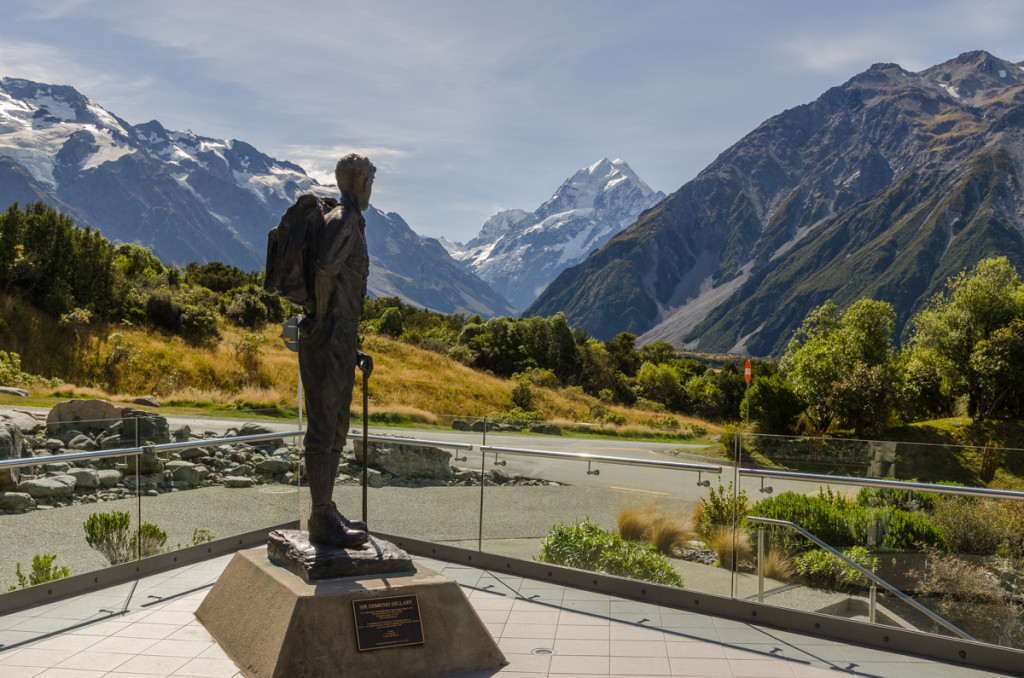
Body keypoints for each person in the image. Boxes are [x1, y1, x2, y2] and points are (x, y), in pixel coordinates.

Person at [299, 153, 376, 548]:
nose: (371, 189)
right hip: (329, 336)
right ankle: (320, 519)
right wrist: (323, 321)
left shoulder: (353, 221)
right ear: (358, 182)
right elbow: (326, 271)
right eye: (370, 180)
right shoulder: (343, 220)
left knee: (338, 429)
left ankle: (325, 509)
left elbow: (342, 285)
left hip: (342, 337)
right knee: (324, 428)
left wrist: (353, 345)